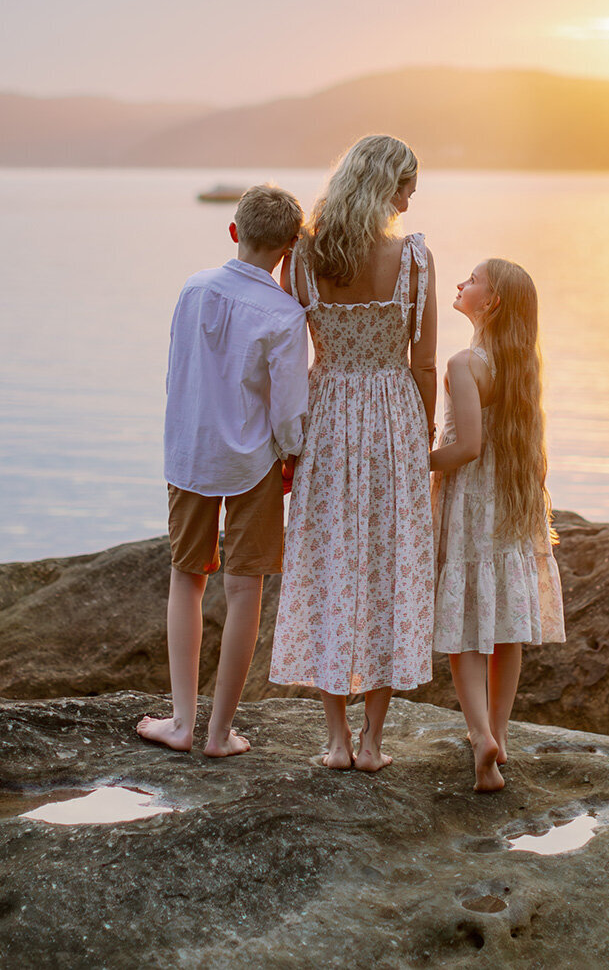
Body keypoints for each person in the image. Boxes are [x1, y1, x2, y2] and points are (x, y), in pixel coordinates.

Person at [269, 135, 437, 772]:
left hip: (330, 418)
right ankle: (372, 744)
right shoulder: (414, 259)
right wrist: (423, 437)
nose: (408, 203)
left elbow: (289, 357)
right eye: (405, 190)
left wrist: (287, 439)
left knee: (330, 566)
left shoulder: (304, 258)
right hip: (393, 419)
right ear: (384, 187)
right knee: (390, 567)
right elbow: (424, 364)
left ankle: (336, 740)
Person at [137, 185, 308, 757]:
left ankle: (182, 723)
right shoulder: (286, 314)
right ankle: (218, 734)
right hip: (254, 460)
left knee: (186, 578)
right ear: (289, 247)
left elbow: (177, 368)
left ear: (234, 231)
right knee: (244, 588)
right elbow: (288, 410)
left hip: (191, 450)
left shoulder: (194, 288)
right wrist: (292, 453)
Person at [430, 258, 565, 792]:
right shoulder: (519, 365)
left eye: (472, 280)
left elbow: (466, 447)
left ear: (492, 301)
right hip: (509, 502)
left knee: (463, 626)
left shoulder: (466, 363)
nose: (460, 284)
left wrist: (415, 461)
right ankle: (500, 734)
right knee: (506, 623)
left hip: (470, 505)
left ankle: (479, 734)